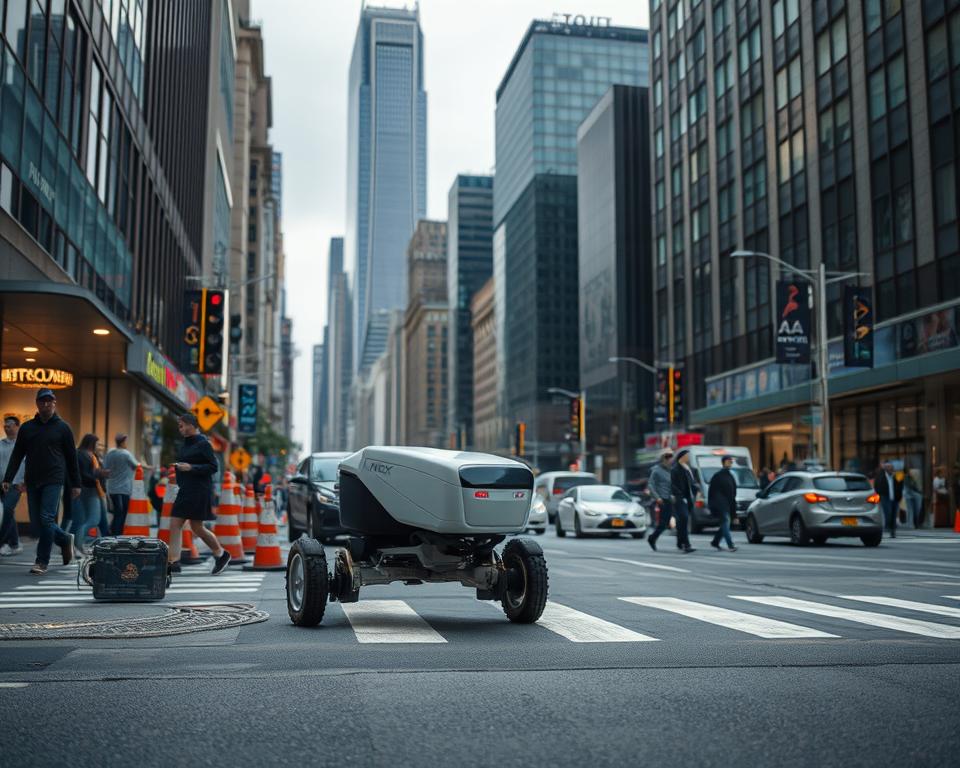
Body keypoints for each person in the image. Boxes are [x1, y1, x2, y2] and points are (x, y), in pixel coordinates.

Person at [1, 389, 78, 575]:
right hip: (33, 480)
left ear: (54, 403)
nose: (46, 404)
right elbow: (17, 454)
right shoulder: (27, 428)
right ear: (37, 403)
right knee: (37, 524)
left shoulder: (63, 428)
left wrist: (76, 483)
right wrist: (8, 478)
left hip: (54, 479)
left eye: (49, 401)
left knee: (46, 519)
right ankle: (64, 539)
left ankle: (41, 561)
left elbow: (71, 457)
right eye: (42, 401)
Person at [166, 413, 230, 575]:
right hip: (186, 489)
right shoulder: (186, 444)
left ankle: (219, 554)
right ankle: (175, 561)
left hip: (199, 490)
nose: (180, 429)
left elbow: (213, 467)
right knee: (185, 525)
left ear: (191, 425)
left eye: (182, 425)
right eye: (179, 426)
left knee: (189, 525)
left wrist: (191, 468)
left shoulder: (203, 443)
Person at [73, 434, 109, 554]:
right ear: (91, 443)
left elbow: (94, 471)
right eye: (97, 443)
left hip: (97, 489)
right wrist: (99, 474)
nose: (98, 446)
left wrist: (101, 473)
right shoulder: (81, 454)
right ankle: (77, 545)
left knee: (102, 520)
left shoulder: (93, 455)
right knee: (93, 520)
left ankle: (105, 546)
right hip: (89, 489)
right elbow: (84, 474)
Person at [103, 433, 140, 535]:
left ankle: (113, 532)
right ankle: (117, 534)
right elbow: (137, 466)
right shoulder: (126, 454)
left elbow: (105, 468)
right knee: (122, 513)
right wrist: (148, 467)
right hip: (124, 489)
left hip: (112, 488)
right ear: (123, 442)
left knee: (117, 512)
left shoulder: (110, 454)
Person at [0, 415, 26, 556]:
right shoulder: (0, 443)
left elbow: (27, 465)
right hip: (1, 485)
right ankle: (15, 544)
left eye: (10, 424)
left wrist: (24, 482)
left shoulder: (22, 445)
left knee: (7, 510)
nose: (6, 427)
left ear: (17, 426)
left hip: (15, 484)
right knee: (7, 513)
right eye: (5, 424)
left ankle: (2, 543)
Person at [646, 450, 676, 552]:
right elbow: (650, 485)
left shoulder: (671, 470)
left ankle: (652, 538)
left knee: (666, 523)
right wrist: (657, 497)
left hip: (669, 499)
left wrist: (673, 495)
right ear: (665, 459)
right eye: (670, 459)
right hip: (662, 500)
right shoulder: (657, 470)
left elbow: (672, 485)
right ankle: (652, 538)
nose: (672, 461)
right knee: (664, 523)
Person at [670, 448, 697, 553]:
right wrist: (680, 496)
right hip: (680, 499)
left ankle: (679, 541)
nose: (688, 458)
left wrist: (696, 490)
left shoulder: (687, 469)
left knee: (682, 522)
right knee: (684, 519)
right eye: (687, 456)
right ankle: (687, 545)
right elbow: (672, 485)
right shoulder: (675, 469)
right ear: (682, 457)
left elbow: (692, 483)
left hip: (688, 499)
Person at [709, 455, 738, 552]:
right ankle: (730, 545)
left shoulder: (731, 476)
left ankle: (715, 542)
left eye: (731, 461)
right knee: (726, 522)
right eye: (728, 461)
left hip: (727, 505)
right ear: (723, 462)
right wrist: (712, 506)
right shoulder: (717, 476)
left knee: (725, 524)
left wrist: (734, 513)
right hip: (719, 505)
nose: (730, 463)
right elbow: (711, 492)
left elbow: (733, 494)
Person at [874, 461, 902, 538]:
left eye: (891, 468)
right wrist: (880, 495)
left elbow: (900, 486)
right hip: (885, 497)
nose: (890, 469)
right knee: (888, 513)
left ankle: (893, 531)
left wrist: (899, 496)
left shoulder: (896, 476)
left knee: (893, 514)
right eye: (888, 468)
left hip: (895, 498)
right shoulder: (881, 476)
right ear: (885, 469)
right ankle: (888, 527)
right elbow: (876, 486)